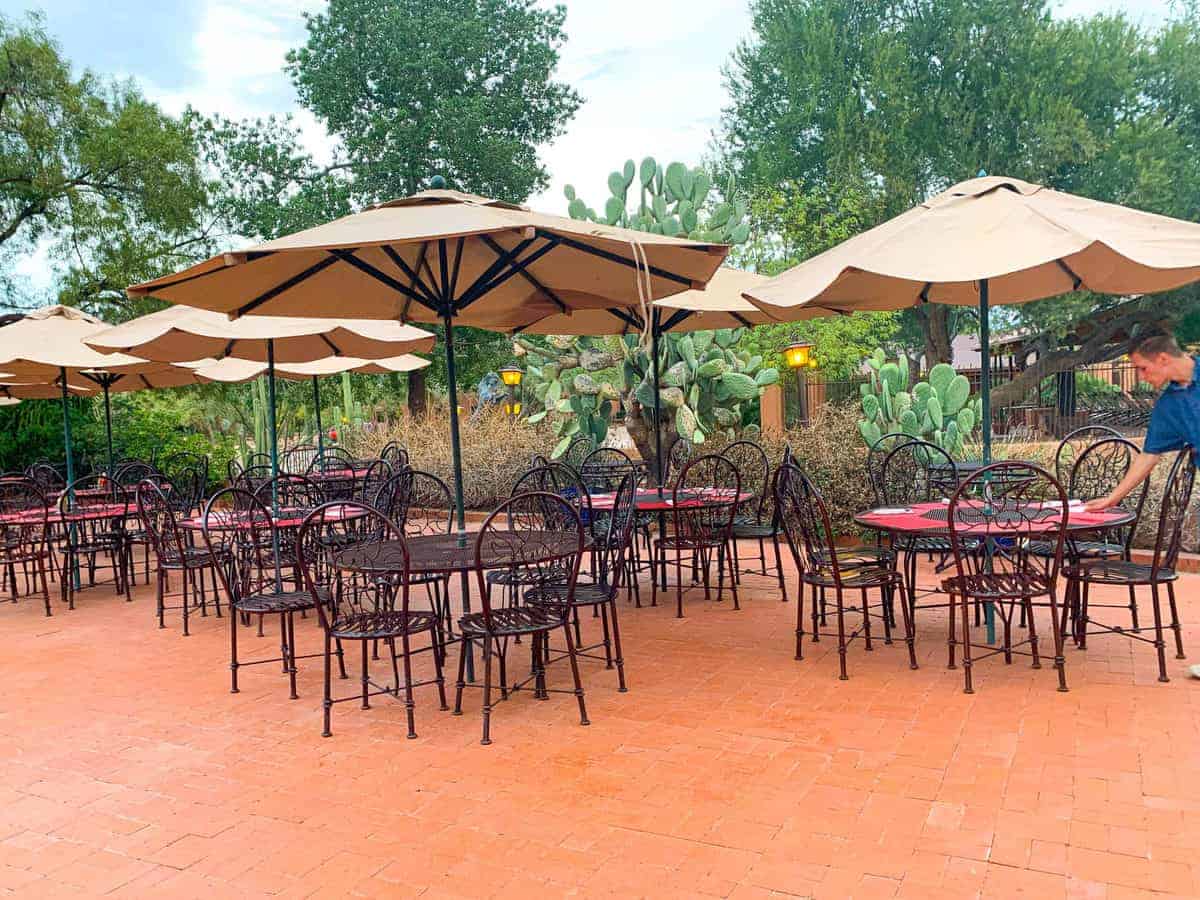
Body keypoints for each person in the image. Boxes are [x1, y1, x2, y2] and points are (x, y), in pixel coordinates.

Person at [1083, 332, 1198, 513]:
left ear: (1163, 359)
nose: (1141, 377)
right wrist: (1112, 499)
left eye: (1143, 368)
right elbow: (1149, 455)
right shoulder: (1169, 406)